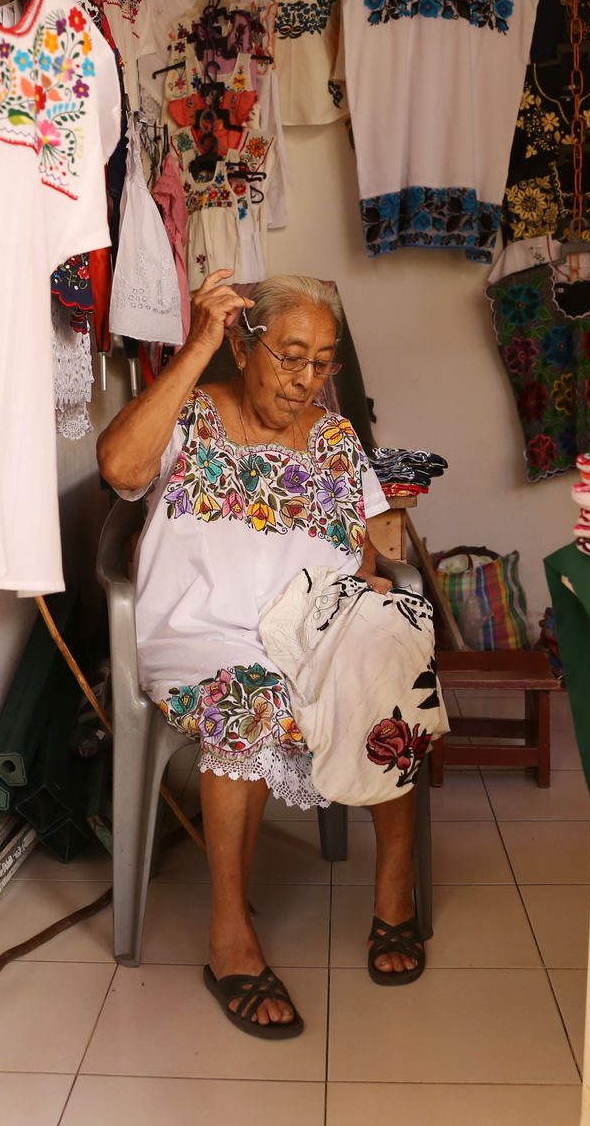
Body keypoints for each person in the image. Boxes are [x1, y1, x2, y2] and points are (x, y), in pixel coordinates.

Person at [96, 270, 427, 1039]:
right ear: (245, 349)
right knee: (251, 699)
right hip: (202, 634)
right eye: (290, 356)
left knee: (394, 666)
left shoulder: (339, 441)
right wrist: (197, 344)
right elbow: (119, 468)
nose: (306, 378)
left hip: (308, 631)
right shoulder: (190, 415)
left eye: (323, 361)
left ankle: (395, 888)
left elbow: (373, 555)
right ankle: (229, 941)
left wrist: (366, 604)